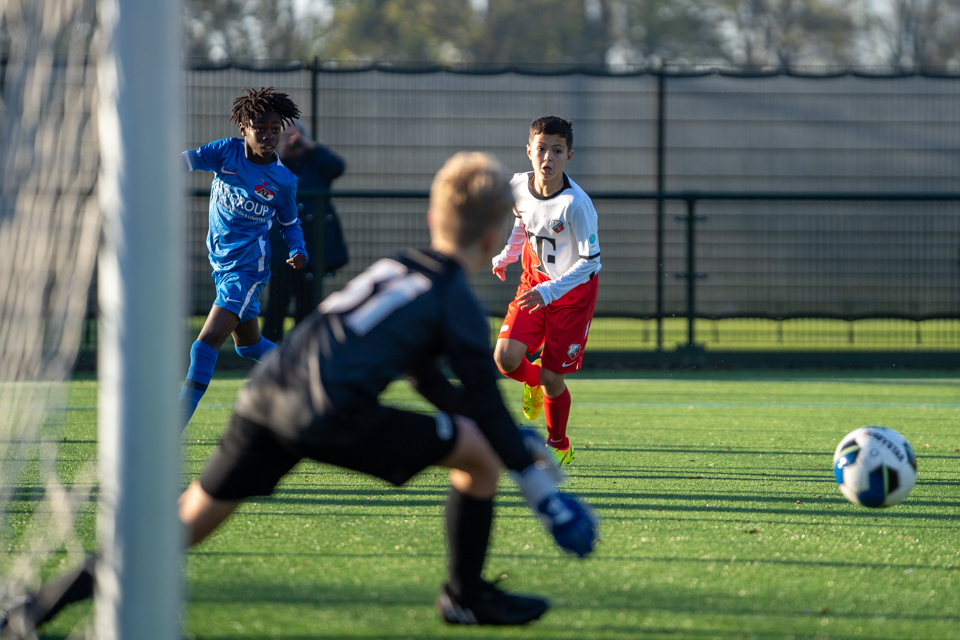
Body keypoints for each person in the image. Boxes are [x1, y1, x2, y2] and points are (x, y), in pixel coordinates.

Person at [0, 153, 598, 637]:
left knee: (184, 525)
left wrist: (497, 433)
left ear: (432, 218)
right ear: (498, 232)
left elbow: (426, 378)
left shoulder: (397, 267)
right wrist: (545, 496)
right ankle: (465, 596)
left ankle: (36, 608)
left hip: (267, 395)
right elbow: (482, 404)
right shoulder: (455, 300)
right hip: (329, 412)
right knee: (478, 451)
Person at [178, 87, 308, 429]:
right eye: (260, 128)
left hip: (247, 270)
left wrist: (298, 248)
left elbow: (290, 223)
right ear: (244, 129)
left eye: (274, 128)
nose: (268, 135)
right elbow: (187, 161)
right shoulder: (225, 153)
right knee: (249, 347)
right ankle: (304, 370)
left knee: (204, 345)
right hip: (221, 265)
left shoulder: (283, 181)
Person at [492, 116, 601, 467]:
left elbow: (590, 262)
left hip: (571, 297)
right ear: (529, 151)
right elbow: (521, 222)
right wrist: (507, 255)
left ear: (569, 156)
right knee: (506, 359)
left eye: (557, 150)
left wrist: (551, 292)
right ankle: (533, 381)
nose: (547, 158)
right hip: (533, 284)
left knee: (555, 377)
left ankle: (558, 442)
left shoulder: (576, 204)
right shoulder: (518, 186)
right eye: (541, 149)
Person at [261, 121, 347, 343]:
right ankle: (268, 353)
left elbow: (338, 167)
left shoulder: (315, 162)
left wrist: (310, 146)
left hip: (312, 246)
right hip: (282, 247)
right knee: (278, 301)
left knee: (307, 303)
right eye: (285, 136)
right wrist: (280, 152)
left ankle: (302, 352)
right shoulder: (274, 164)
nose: (291, 141)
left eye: (295, 136)